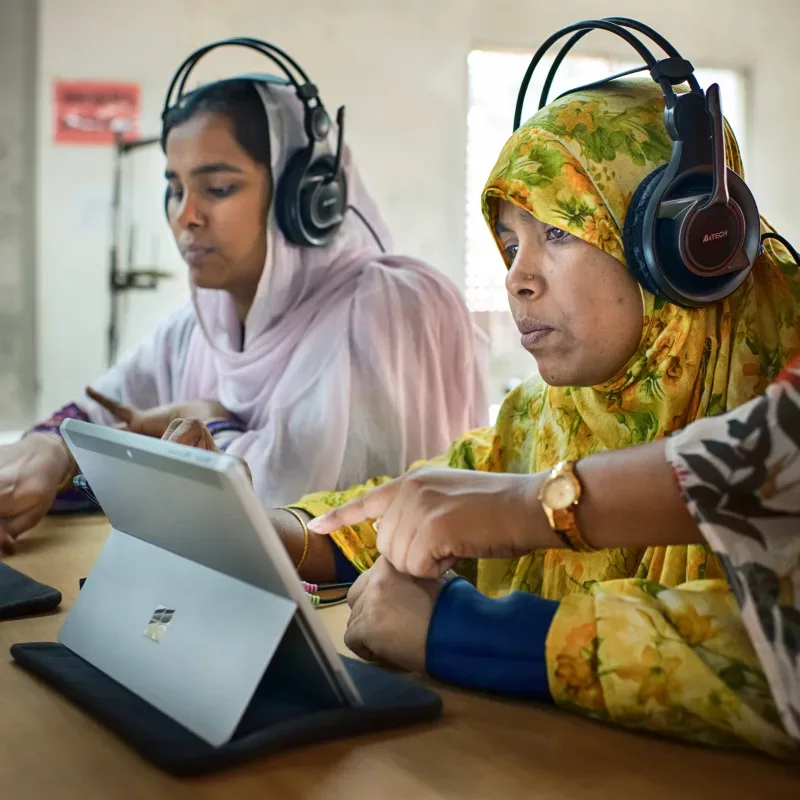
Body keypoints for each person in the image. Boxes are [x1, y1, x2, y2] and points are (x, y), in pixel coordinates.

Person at [0, 74, 487, 551]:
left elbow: (321, 521)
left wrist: (210, 422)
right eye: (175, 189)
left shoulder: (387, 311)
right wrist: (51, 450)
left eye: (217, 189)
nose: (186, 216)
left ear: (305, 198)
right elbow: (101, 412)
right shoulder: (199, 324)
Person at [306, 351, 800, 758]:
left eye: (561, 234)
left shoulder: (752, 379)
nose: (516, 277)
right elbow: (446, 489)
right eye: (512, 245)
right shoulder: (544, 407)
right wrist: (283, 530)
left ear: (686, 239)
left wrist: (471, 629)